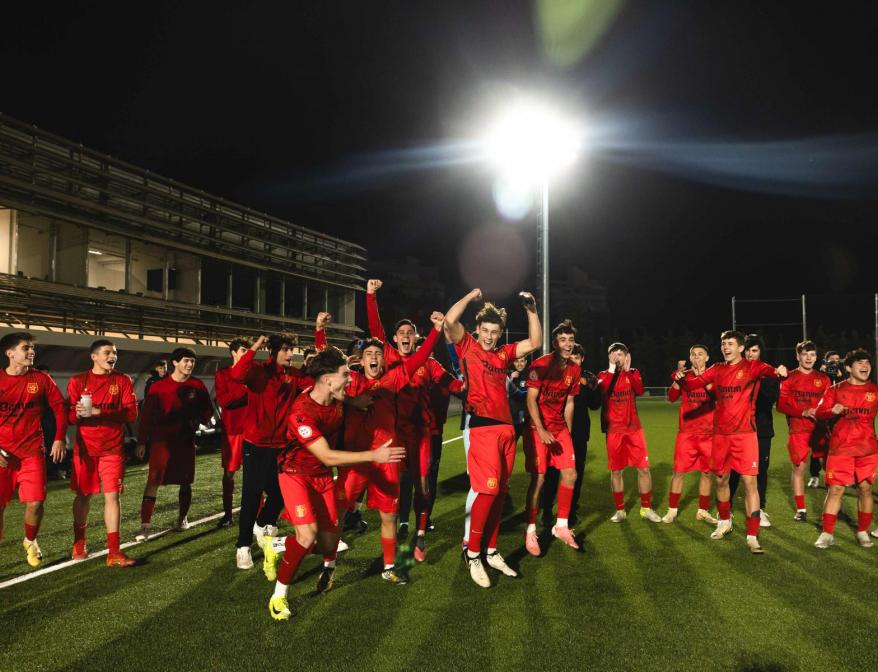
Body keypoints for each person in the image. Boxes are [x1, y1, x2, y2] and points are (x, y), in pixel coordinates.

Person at [266, 347, 406, 621]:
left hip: (321, 477)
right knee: (307, 536)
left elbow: (346, 399)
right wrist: (374, 455)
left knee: (330, 543)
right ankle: (279, 595)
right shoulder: (301, 412)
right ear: (328, 380)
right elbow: (328, 456)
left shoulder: (336, 396)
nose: (351, 379)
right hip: (295, 474)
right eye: (345, 375)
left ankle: (283, 546)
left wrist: (356, 402)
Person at [336, 311, 445, 582]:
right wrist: (351, 402)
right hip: (357, 459)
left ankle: (388, 567)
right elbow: (322, 388)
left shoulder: (393, 379)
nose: (374, 357)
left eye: (377, 354)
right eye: (368, 354)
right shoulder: (349, 382)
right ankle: (328, 564)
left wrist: (436, 331)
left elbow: (421, 357)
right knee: (337, 510)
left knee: (389, 515)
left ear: (384, 358)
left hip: (386, 457)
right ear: (359, 360)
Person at [444, 288, 541, 588]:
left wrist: (532, 310)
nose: (489, 336)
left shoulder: (503, 353)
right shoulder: (468, 346)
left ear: (500, 333)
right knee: (486, 490)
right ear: (477, 330)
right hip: (482, 427)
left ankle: (491, 549)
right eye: (485, 331)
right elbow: (448, 320)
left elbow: (535, 342)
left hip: (506, 429)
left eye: (494, 332)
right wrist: (470, 294)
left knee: (499, 492)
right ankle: (472, 553)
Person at [366, 279, 457, 561]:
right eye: (401, 332)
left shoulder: (427, 362)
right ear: (394, 340)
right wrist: (370, 296)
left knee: (423, 484)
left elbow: (450, 382)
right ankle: (394, 526)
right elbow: (375, 329)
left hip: (422, 432)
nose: (405, 335)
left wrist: (469, 389)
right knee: (395, 483)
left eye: (410, 333)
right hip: (394, 434)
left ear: (417, 339)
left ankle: (419, 535)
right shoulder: (389, 356)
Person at [678, 330, 787, 554]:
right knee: (721, 480)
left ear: (740, 348)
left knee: (750, 483)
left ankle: (752, 535)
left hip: (745, 435)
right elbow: (694, 385)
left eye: (730, 344)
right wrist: (680, 380)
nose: (725, 347)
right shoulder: (717, 369)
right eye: (723, 344)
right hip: (720, 436)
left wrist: (781, 372)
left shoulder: (752, 367)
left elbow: (773, 372)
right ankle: (724, 522)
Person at [229, 325, 317, 569]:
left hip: (282, 445)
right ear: (274, 351)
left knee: (282, 493)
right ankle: (243, 546)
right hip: (255, 444)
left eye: (292, 350)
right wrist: (255, 345)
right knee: (251, 496)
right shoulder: (258, 372)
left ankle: (263, 522)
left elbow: (317, 386)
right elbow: (236, 375)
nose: (291, 355)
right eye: (286, 350)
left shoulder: (295, 375)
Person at [67, 339, 138, 567]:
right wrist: (77, 414)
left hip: (112, 449)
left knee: (112, 496)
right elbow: (69, 417)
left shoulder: (123, 380)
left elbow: (131, 414)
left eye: (115, 353)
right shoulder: (78, 381)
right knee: (83, 495)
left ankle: (114, 552)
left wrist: (98, 412)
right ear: (94, 356)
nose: (113, 356)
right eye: (108, 352)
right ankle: (79, 542)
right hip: (85, 450)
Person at [0, 332, 67, 567]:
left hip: (32, 452)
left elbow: (60, 407)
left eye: (32, 348)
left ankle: (30, 540)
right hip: (3, 455)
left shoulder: (40, 379)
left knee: (36, 502)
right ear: (10, 353)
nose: (31, 352)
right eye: (26, 348)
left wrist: (59, 439)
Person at [135, 347, 213, 540]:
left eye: (192, 362)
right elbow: (146, 417)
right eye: (186, 361)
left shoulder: (198, 385)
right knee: (153, 480)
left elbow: (208, 410)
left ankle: (182, 517)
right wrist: (142, 442)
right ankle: (145, 525)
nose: (190, 365)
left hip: (186, 441)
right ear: (175, 363)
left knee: (185, 482)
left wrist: (202, 419)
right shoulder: (158, 387)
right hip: (161, 441)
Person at [523, 320, 581, 554]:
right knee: (539, 480)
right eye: (563, 340)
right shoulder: (540, 365)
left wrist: (566, 432)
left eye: (571, 340)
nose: (568, 344)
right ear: (555, 343)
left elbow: (569, 402)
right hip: (537, 429)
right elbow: (530, 400)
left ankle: (562, 526)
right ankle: (530, 531)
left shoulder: (574, 370)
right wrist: (542, 429)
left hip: (559, 430)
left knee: (571, 474)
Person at [813, 349, 878, 549]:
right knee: (835, 490)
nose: (865, 366)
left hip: (867, 449)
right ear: (849, 368)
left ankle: (862, 532)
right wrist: (831, 410)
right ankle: (827, 533)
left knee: (865, 489)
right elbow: (819, 413)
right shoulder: (835, 390)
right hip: (840, 449)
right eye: (860, 363)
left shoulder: (874, 391)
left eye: (867, 363)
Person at [597, 343, 662, 524]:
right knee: (616, 471)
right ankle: (620, 510)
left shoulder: (633, 373)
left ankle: (646, 508)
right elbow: (603, 391)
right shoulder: (603, 375)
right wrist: (612, 368)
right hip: (614, 431)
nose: (618, 357)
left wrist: (626, 371)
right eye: (614, 354)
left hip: (634, 429)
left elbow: (640, 390)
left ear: (627, 357)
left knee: (644, 469)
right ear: (609, 357)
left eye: (621, 354)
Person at [541, 343, 601, 528]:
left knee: (577, 475)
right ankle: (546, 511)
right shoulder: (558, 375)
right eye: (571, 356)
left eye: (577, 357)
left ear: (582, 359)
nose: (573, 360)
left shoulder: (588, 378)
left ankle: (571, 511)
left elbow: (595, 405)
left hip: (579, 434)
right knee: (551, 473)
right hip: (557, 432)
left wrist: (594, 388)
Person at [661, 345, 718, 525]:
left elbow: (716, 396)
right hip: (687, 433)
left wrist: (702, 378)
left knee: (707, 473)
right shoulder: (684, 376)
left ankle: (702, 510)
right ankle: (672, 510)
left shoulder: (715, 374)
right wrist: (677, 379)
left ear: (707, 357)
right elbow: (671, 397)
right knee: (678, 472)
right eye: (693, 354)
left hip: (709, 433)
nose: (696, 358)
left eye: (700, 354)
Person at [727, 334, 778, 528]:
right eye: (747, 350)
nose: (750, 354)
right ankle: (727, 508)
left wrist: (757, 377)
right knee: (733, 470)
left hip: (761, 429)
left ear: (761, 353)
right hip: (738, 429)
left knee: (760, 471)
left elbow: (770, 399)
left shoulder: (768, 373)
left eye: (754, 350)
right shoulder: (732, 371)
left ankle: (760, 508)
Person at [776, 340, 830, 522]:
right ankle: (801, 509)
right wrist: (803, 412)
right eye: (805, 354)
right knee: (799, 469)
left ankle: (832, 506)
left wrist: (822, 413)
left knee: (829, 468)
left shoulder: (823, 379)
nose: (809, 358)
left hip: (820, 430)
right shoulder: (789, 378)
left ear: (816, 357)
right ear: (797, 356)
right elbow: (781, 405)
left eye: (812, 354)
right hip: (798, 430)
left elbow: (828, 404)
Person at [213, 338, 251, 528]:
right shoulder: (222, 375)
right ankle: (228, 514)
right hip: (232, 431)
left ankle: (258, 513)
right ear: (234, 353)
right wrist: (245, 391)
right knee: (229, 474)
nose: (246, 353)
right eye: (243, 349)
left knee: (256, 474)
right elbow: (225, 401)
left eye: (247, 350)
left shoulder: (254, 374)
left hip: (253, 430)